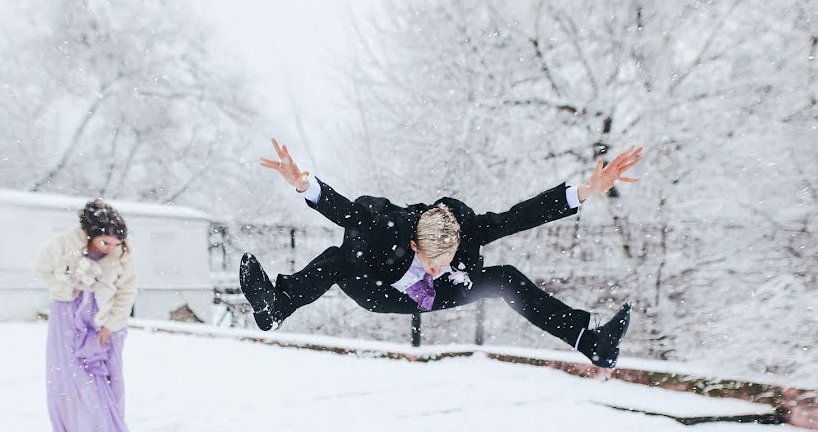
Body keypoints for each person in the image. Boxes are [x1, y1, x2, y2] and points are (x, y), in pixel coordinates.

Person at [242, 138, 644, 368]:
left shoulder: (469, 233)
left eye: (445, 261)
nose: (434, 270)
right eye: (431, 263)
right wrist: (303, 186)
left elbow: (522, 215)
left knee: (505, 278)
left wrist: (586, 190)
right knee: (336, 259)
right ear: (414, 244)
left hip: (448, 293)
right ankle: (276, 307)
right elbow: (346, 210)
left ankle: (590, 341)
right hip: (385, 290)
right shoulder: (390, 229)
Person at [36, 199, 138, 432]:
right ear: (90, 234)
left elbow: (127, 292)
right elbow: (43, 271)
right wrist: (69, 283)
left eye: (116, 243)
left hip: (105, 322)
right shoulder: (63, 246)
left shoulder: (123, 256)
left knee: (105, 382)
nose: (111, 249)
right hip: (69, 318)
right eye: (105, 242)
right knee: (71, 381)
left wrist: (110, 325)